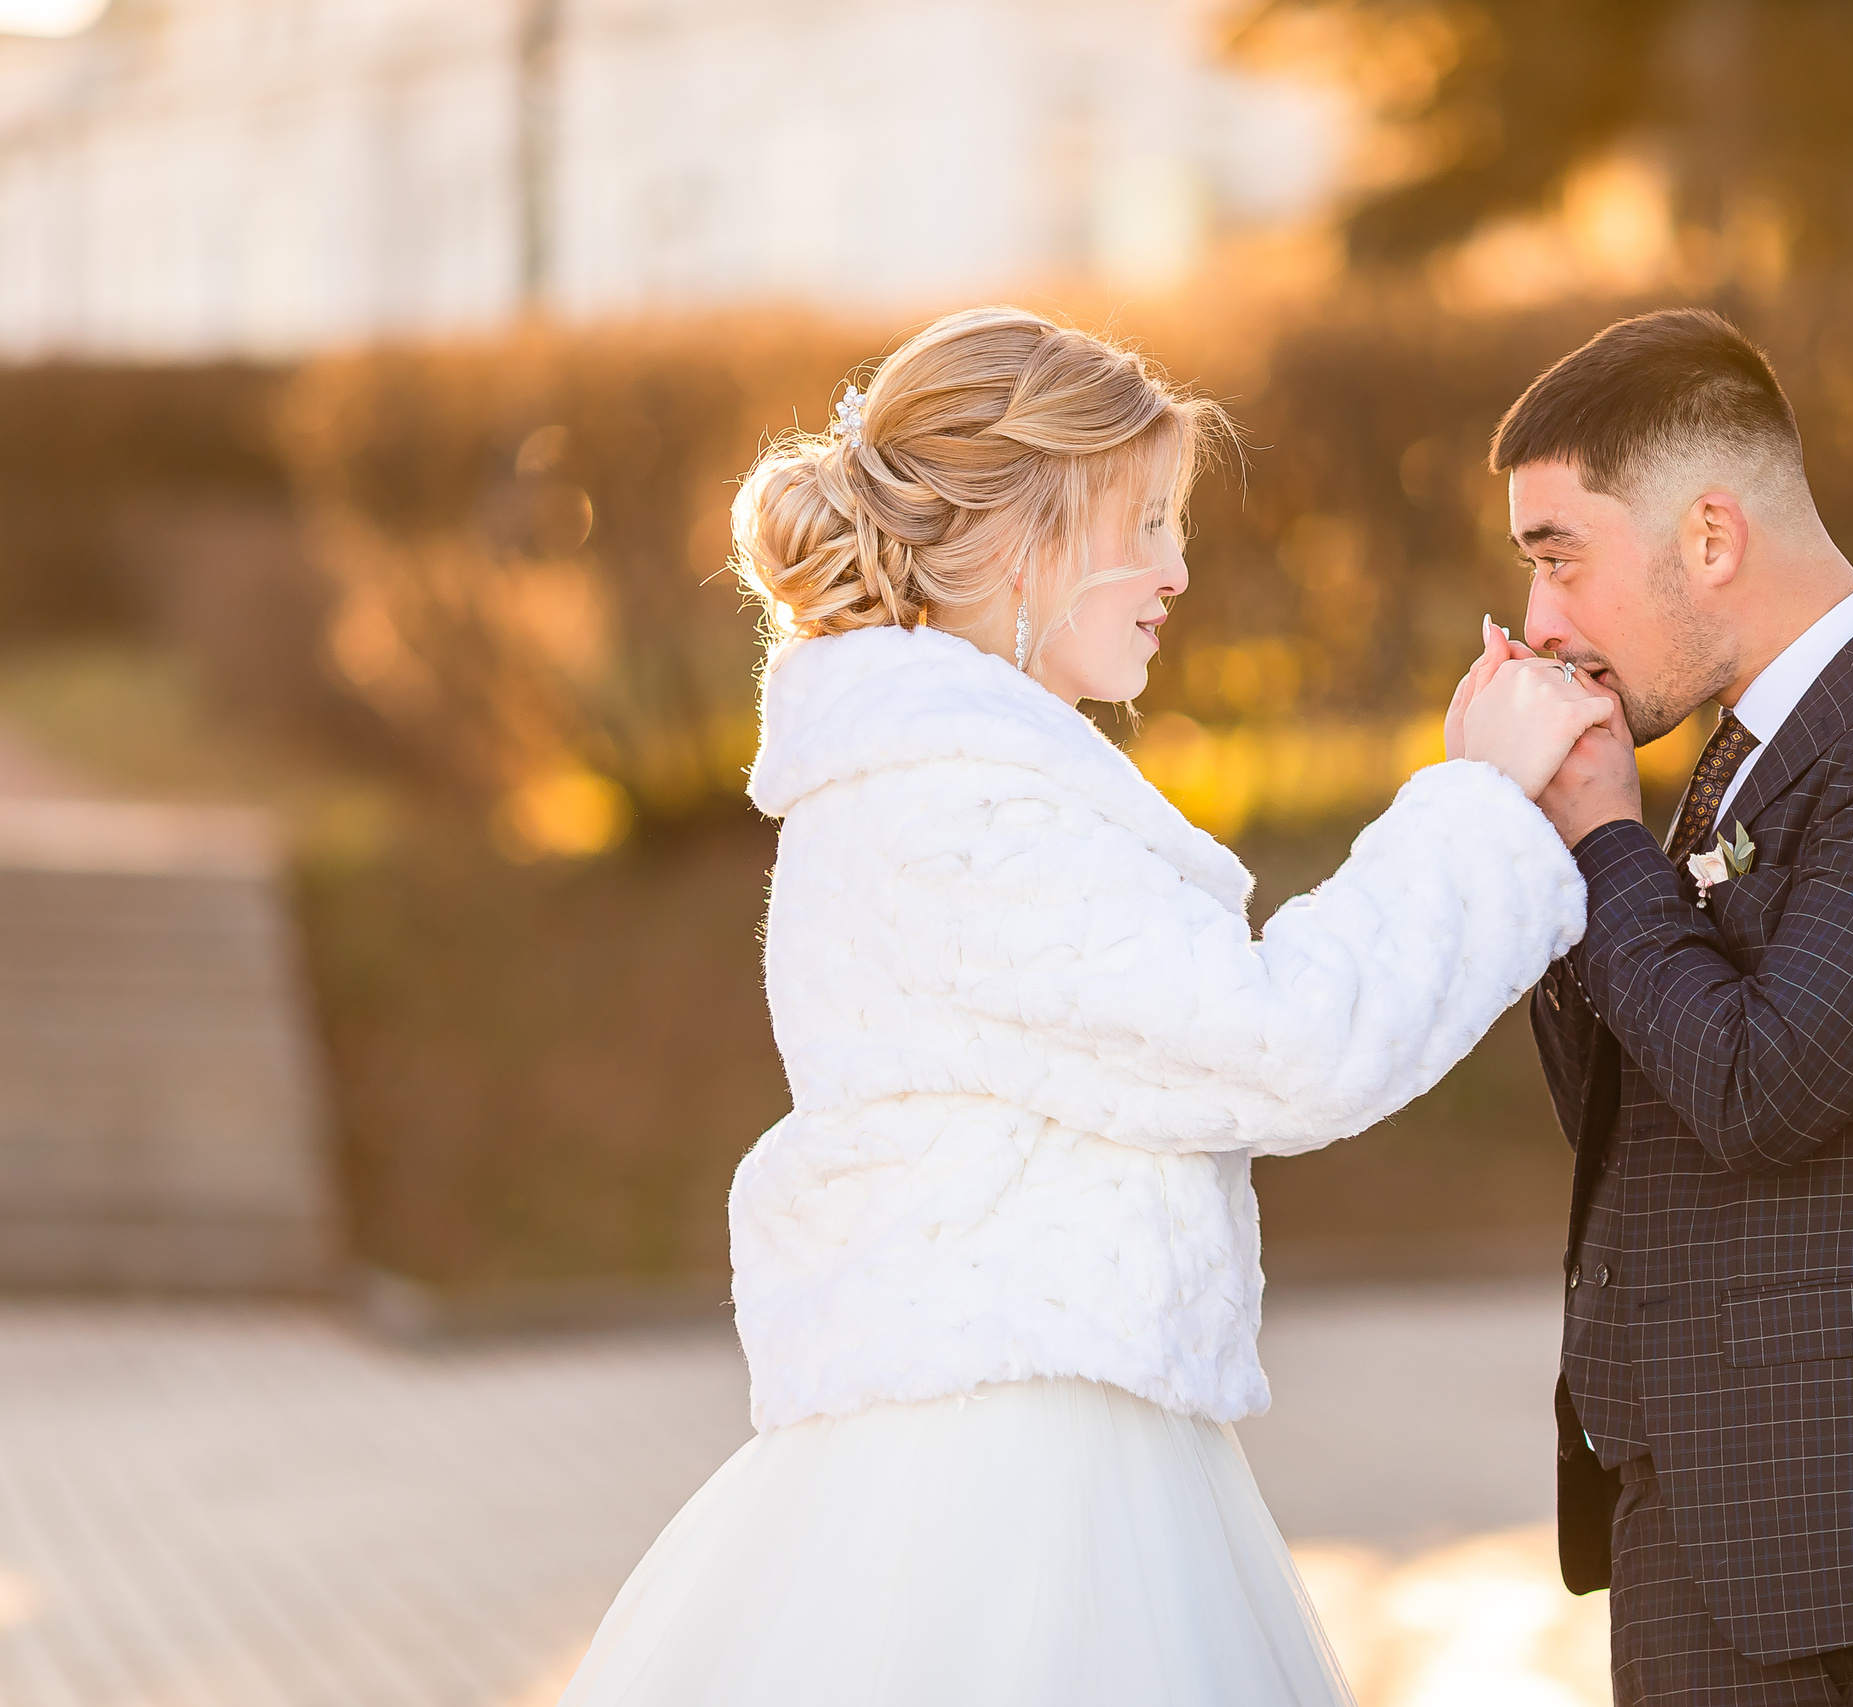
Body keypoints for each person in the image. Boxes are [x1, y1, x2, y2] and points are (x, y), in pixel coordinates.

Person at [554, 305, 1613, 1706]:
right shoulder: (955, 807)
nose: (1178, 570)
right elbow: (1281, 1044)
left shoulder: (954, 779)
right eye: (1150, 521)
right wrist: (1480, 803)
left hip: (1026, 1444)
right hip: (1009, 1493)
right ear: (1021, 535)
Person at [1473, 308, 1853, 1706]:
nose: (1540, 622)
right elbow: (1635, 1106)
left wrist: (1601, 845)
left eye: (1559, 556)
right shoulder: (1739, 757)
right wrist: (1531, 832)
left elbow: (1760, 1088)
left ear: (1709, 537)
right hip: (1711, 1528)